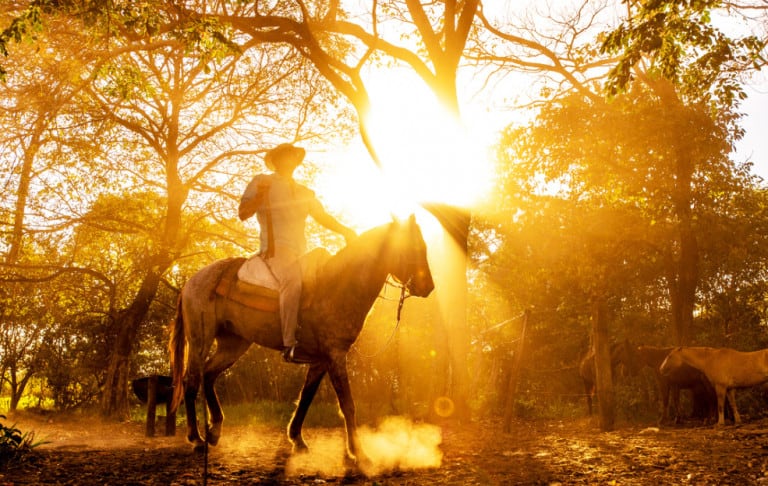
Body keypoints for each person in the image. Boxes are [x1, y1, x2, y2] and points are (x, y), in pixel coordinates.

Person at [238, 143, 356, 362]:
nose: (289, 161)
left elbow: (322, 216)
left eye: (292, 157)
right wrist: (258, 198)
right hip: (274, 252)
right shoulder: (262, 182)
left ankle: (325, 332)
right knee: (292, 280)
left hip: (300, 252)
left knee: (326, 261)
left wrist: (345, 230)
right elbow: (243, 213)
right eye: (284, 156)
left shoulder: (304, 192)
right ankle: (289, 345)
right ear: (276, 160)